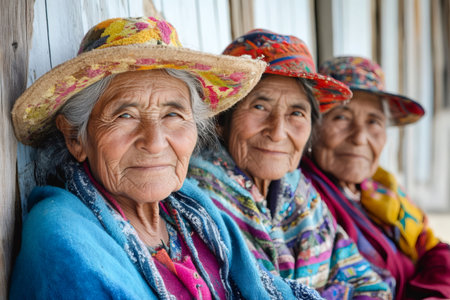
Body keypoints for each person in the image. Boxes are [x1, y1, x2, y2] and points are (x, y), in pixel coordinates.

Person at [9, 17, 323, 299]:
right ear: (76, 138)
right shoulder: (64, 239)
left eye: (173, 114)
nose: (156, 142)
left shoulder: (192, 210)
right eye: (125, 115)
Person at [188, 30, 393, 299]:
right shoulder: (200, 200)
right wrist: (339, 292)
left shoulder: (300, 192)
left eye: (296, 113)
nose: (277, 131)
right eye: (260, 107)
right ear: (221, 119)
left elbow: (369, 284)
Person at [301, 56, 450, 300]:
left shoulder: (382, 189)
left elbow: (436, 251)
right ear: (312, 126)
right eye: (341, 117)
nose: (360, 137)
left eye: (374, 122)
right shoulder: (302, 196)